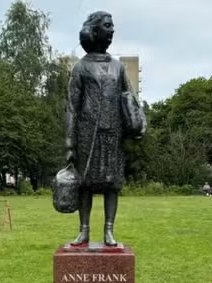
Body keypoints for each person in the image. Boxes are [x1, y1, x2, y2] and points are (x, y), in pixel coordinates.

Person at [65, 11, 145, 246]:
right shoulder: (80, 68)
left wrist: (136, 123)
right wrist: (69, 143)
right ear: (94, 30)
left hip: (113, 134)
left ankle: (109, 230)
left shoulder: (118, 68)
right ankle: (84, 230)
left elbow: (129, 99)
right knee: (85, 184)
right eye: (107, 26)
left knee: (112, 184)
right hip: (87, 135)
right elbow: (71, 107)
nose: (112, 30)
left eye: (112, 26)